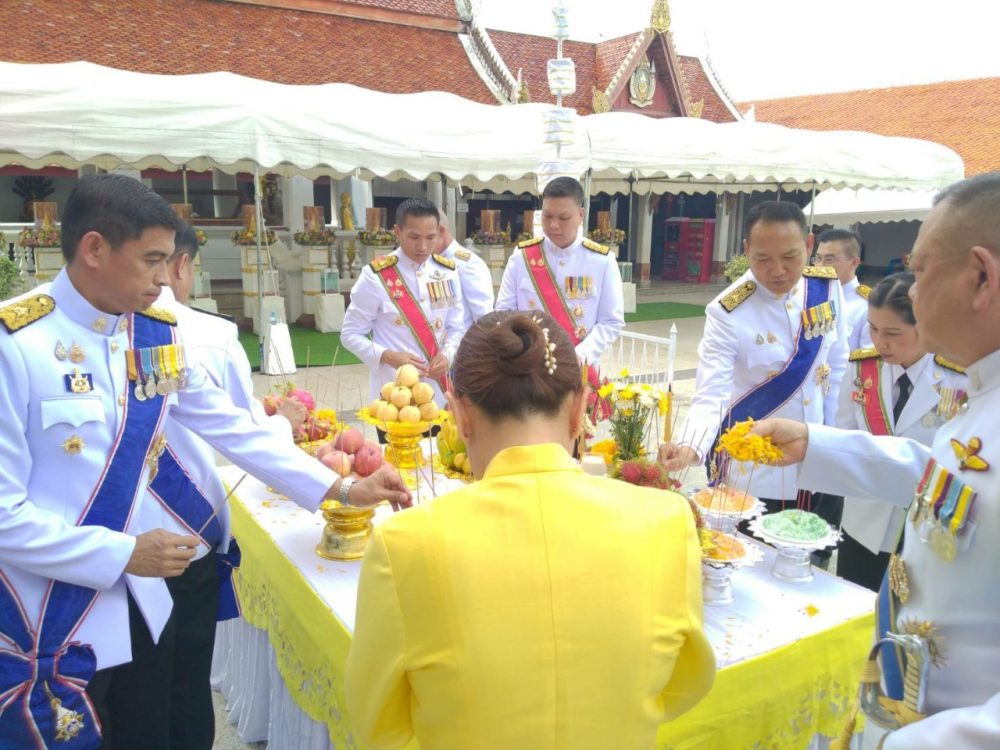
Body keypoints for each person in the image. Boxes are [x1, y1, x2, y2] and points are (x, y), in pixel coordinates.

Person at [0, 174, 410, 750]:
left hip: (137, 600)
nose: (165, 278)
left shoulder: (153, 334)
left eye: (169, 261)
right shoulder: (16, 345)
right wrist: (121, 554)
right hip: (48, 614)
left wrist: (339, 490)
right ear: (94, 249)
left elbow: (232, 426)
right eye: (152, 260)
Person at [345, 311, 715, 750]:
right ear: (579, 409)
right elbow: (683, 685)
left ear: (459, 414)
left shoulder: (403, 544)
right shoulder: (666, 520)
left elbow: (377, 725)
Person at [751, 172, 1000, 748]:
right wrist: (816, 443)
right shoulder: (983, 395)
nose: (909, 288)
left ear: (981, 277)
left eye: (922, 269)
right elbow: (947, 483)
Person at [146, 223, 306, 749]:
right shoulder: (209, 335)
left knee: (136, 694)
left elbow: (227, 423)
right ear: (182, 265)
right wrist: (284, 425)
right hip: (183, 537)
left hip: (128, 545)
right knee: (183, 686)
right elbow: (244, 429)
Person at [659, 201, 848, 515]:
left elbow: (838, 372)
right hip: (756, 473)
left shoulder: (826, 289)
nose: (777, 270)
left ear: (809, 244)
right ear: (746, 250)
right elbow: (712, 391)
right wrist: (690, 445)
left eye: (789, 256)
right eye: (763, 258)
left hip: (815, 461)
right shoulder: (728, 311)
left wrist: (836, 444)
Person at [834, 271, 966, 591]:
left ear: (925, 325)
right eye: (873, 328)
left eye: (893, 332)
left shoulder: (959, 378)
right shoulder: (861, 368)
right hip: (863, 524)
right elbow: (843, 437)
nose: (880, 341)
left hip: (925, 531)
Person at [341, 198, 465, 406]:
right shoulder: (376, 276)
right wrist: (387, 356)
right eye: (414, 237)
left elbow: (457, 327)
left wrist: (448, 356)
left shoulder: (447, 272)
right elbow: (350, 334)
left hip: (437, 391)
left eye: (431, 237)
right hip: (393, 392)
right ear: (398, 232)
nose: (423, 246)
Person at [495, 176, 624, 366]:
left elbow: (611, 321)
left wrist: (580, 355)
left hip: (579, 367)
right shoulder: (521, 257)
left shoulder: (602, 261)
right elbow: (503, 313)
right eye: (547, 216)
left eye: (563, 218)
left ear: (581, 215)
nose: (553, 225)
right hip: (529, 366)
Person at [814, 228, 873, 349]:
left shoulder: (867, 307)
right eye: (818, 258)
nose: (820, 266)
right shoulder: (809, 296)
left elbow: (868, 357)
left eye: (829, 260)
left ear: (854, 263)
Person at [435, 217, 494, 329]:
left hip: (462, 337)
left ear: (441, 231)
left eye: (429, 237)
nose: (422, 244)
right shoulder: (428, 262)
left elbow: (483, 316)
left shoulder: (468, 263)